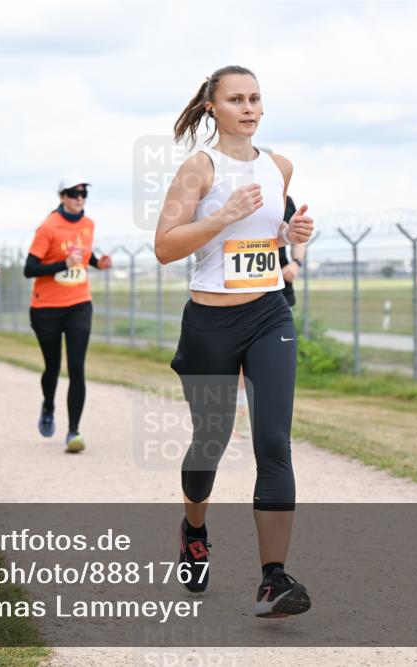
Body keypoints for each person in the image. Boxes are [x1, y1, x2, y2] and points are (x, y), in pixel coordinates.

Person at [154, 66, 314, 617]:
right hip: (210, 324)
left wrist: (289, 237)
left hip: (270, 314)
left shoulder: (280, 168)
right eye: (236, 99)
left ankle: (274, 579)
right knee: (211, 440)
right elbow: (166, 247)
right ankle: (193, 529)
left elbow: (266, 237)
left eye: (255, 98)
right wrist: (221, 215)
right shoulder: (200, 169)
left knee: (273, 441)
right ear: (213, 108)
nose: (249, 107)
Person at [23, 175, 112, 453]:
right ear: (62, 196)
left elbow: (84, 256)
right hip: (46, 308)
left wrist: (98, 262)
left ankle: (74, 431)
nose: (80, 198)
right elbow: (30, 269)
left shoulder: (88, 225)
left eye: (84, 193)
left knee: (76, 368)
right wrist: (63, 263)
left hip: (78, 303)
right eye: (74, 193)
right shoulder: (48, 227)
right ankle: (48, 406)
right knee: (53, 367)